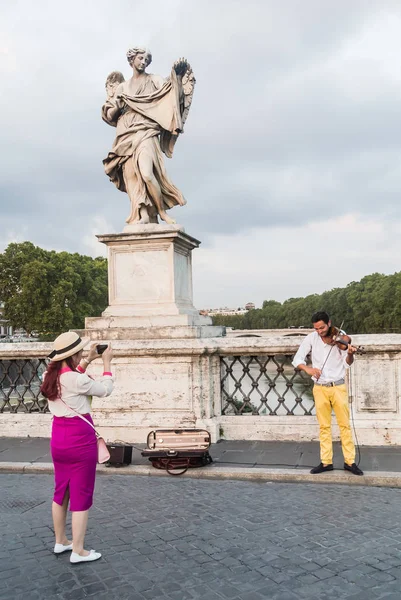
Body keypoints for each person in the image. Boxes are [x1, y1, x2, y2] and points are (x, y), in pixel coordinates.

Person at [40, 332, 114, 563]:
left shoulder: (48, 376)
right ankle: (79, 550)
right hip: (79, 440)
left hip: (58, 438)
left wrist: (87, 360)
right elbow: (105, 389)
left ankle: (61, 541)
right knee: (81, 492)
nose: (83, 353)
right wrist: (106, 363)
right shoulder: (76, 379)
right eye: (80, 352)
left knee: (61, 491)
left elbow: (72, 378)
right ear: (72, 355)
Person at [102, 46, 194, 226]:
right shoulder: (122, 86)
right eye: (140, 58)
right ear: (132, 60)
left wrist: (177, 76)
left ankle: (161, 212)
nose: (143, 62)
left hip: (146, 131)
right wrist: (119, 105)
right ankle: (142, 214)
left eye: (146, 60)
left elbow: (173, 96)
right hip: (125, 133)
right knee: (132, 178)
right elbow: (109, 115)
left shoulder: (154, 80)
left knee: (146, 173)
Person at [292, 311, 363, 476]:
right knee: (324, 427)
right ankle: (326, 462)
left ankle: (350, 462)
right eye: (316, 328)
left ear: (329, 323)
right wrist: (308, 369)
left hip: (338, 386)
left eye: (322, 328)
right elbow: (297, 359)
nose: (320, 332)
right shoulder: (311, 338)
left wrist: (350, 353)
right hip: (320, 388)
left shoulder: (340, 337)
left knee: (344, 425)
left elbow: (348, 363)